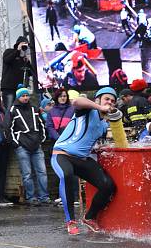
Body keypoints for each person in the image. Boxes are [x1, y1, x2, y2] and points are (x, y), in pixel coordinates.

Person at [51, 87, 118, 235]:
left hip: (82, 159)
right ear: (97, 100)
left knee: (108, 186)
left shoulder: (104, 124)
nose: (110, 103)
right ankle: (70, 221)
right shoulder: (87, 110)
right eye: (107, 99)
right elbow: (76, 101)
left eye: (113, 101)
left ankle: (90, 217)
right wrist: (100, 107)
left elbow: (96, 143)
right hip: (62, 155)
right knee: (66, 175)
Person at [8, 87, 50, 205]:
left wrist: (42, 138)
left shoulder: (34, 108)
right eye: (23, 96)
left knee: (42, 172)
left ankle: (44, 197)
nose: (26, 97)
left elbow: (42, 124)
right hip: (22, 146)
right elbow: (8, 128)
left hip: (36, 145)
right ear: (18, 97)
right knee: (27, 174)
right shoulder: (13, 110)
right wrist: (15, 143)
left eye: (27, 95)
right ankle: (31, 197)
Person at [0, 36, 34, 110]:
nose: (24, 48)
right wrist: (18, 50)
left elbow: (31, 73)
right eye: (23, 45)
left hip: (20, 89)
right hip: (9, 88)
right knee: (10, 109)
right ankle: (8, 121)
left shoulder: (23, 59)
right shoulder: (9, 51)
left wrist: (28, 62)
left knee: (21, 109)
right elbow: (7, 60)